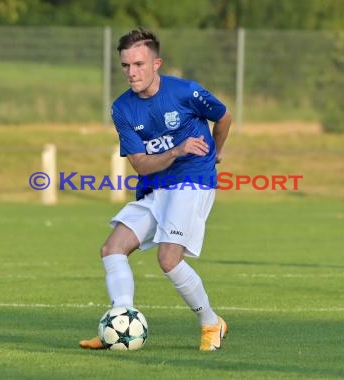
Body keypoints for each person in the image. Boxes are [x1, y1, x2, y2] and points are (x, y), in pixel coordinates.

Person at [79, 27, 232, 351]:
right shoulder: (122, 108)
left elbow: (224, 116)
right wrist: (176, 150)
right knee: (112, 249)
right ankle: (120, 322)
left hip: (192, 181)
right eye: (126, 66)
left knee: (168, 259)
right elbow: (141, 165)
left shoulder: (186, 92)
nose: (131, 73)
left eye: (138, 65)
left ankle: (210, 324)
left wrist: (215, 151)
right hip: (156, 185)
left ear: (156, 63)